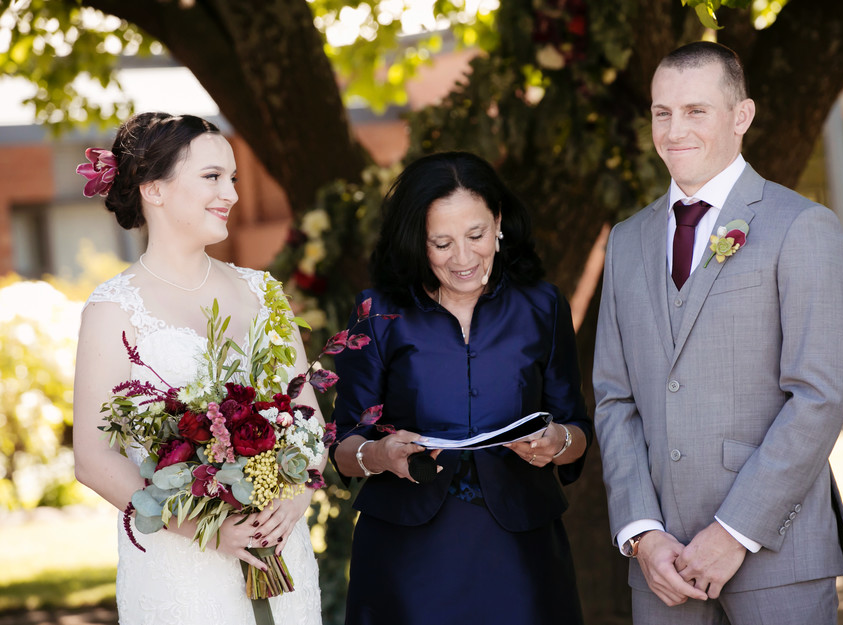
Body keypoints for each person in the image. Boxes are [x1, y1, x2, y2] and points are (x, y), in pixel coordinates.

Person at [593, 41, 843, 624]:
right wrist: (642, 533)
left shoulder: (803, 227)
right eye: (662, 113)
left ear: (742, 117)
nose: (674, 130)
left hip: (778, 558)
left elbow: (817, 398)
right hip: (661, 571)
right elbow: (615, 399)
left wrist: (734, 532)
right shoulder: (627, 241)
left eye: (696, 111)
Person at [72, 112, 322, 624]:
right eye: (212, 177)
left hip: (282, 551)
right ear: (153, 189)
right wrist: (206, 528)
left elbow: (308, 418)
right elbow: (94, 459)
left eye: (232, 178)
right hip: (181, 569)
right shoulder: (113, 309)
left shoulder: (264, 292)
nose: (230, 193)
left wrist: (295, 496)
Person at [330, 151, 592, 625]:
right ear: (417, 242)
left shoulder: (543, 305)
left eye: (476, 235)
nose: (465, 258)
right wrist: (380, 454)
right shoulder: (379, 313)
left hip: (522, 553)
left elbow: (577, 430)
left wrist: (558, 443)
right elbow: (343, 442)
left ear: (498, 223)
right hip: (406, 557)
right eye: (442, 243)